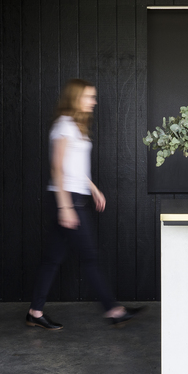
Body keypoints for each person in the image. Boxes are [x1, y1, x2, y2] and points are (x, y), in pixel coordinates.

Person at [27, 79, 140, 330]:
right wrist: (65, 207)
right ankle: (113, 310)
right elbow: (57, 168)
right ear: (76, 98)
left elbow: (74, 167)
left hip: (75, 196)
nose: (94, 101)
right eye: (89, 97)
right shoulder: (63, 126)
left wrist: (93, 188)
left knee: (52, 258)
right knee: (89, 256)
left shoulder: (77, 126)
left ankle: (35, 312)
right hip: (67, 199)